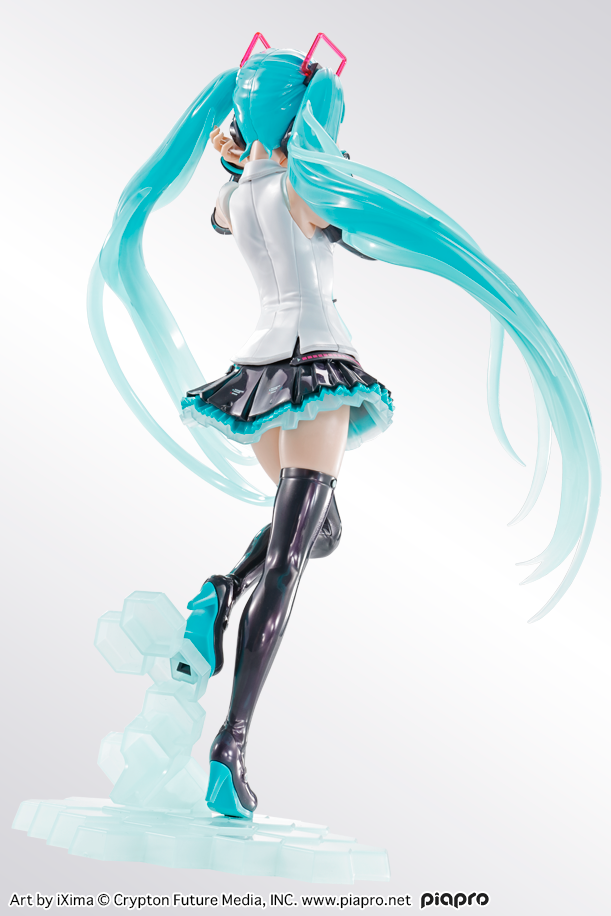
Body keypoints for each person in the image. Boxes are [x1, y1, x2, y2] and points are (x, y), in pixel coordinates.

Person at [88, 36, 601, 820]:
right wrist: (326, 150)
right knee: (291, 560)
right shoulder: (306, 190)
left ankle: (220, 592)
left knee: (320, 533)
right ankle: (230, 745)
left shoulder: (231, 199)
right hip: (314, 372)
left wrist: (244, 152)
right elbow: (357, 235)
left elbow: (234, 208)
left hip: (258, 378)